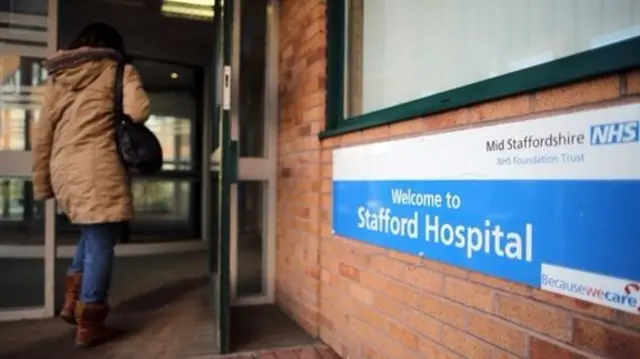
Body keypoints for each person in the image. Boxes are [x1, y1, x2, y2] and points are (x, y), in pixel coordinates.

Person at [32, 23, 150, 348]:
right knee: (101, 239)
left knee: (91, 231)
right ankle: (90, 322)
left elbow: (43, 134)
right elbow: (139, 112)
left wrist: (43, 181)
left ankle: (73, 302)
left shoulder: (58, 78)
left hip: (64, 168)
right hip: (96, 164)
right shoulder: (117, 69)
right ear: (113, 45)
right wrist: (129, 79)